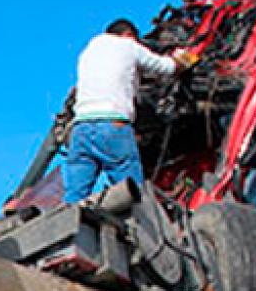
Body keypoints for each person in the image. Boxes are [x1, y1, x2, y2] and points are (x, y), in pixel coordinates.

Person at [63, 19, 193, 203]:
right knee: (134, 194)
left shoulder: (88, 52)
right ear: (129, 35)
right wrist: (184, 59)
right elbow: (166, 67)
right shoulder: (128, 46)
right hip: (112, 125)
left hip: (80, 129)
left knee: (74, 197)